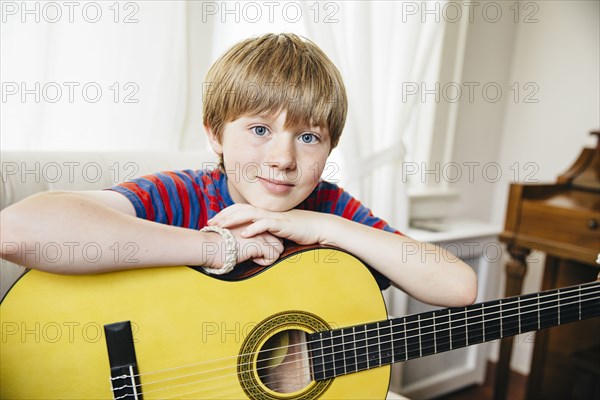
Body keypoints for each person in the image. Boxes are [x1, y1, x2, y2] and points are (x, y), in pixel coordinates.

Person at [0, 33, 476, 307]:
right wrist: (218, 246)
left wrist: (321, 225)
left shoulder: (330, 207)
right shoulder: (182, 195)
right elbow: (16, 231)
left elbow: (460, 287)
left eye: (308, 137)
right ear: (214, 135)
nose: (284, 159)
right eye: (260, 130)